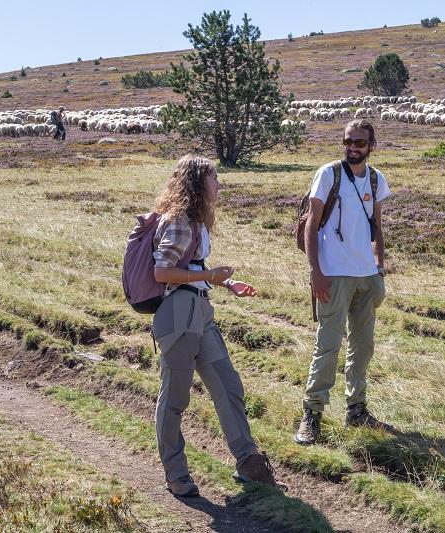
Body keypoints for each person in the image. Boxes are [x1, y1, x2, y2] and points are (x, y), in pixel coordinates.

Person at [152, 154, 277, 496]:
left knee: (228, 384)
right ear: (196, 183)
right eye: (214, 179)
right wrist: (209, 275)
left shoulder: (195, 222)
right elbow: (162, 273)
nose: (219, 184)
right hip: (179, 315)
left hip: (199, 311)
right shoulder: (178, 221)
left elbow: (190, 268)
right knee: (175, 397)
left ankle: (249, 462)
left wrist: (223, 283)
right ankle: (176, 474)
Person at [295, 119, 391, 446]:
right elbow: (310, 224)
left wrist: (379, 265)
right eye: (348, 141)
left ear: (371, 145)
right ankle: (312, 414)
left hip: (366, 276)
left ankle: (357, 408)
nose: (352, 147)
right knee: (328, 345)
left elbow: (377, 226)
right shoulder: (328, 174)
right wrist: (315, 270)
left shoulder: (377, 180)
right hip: (333, 275)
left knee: (363, 347)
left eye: (359, 143)